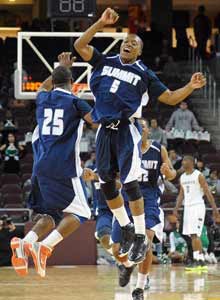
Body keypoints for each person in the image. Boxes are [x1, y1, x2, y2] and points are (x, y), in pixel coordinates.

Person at [74, 7, 206, 263]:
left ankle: (138, 235)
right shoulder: (104, 61)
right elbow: (80, 44)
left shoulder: (144, 73)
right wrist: (101, 22)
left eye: (133, 43)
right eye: (126, 41)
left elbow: (168, 98)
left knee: (131, 183)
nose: (128, 44)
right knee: (107, 184)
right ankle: (124, 226)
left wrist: (190, 86)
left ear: (139, 51)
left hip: (126, 130)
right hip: (104, 130)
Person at [10, 52, 93, 278]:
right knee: (82, 213)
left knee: (49, 215)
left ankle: (23, 243)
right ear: (73, 83)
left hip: (40, 166)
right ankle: (45, 247)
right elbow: (97, 122)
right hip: (63, 167)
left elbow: (45, 87)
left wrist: (60, 66)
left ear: (53, 82)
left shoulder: (42, 98)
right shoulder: (76, 102)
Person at [111, 118, 176, 300]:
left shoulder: (158, 149)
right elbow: (115, 177)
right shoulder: (125, 150)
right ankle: (127, 265)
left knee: (145, 242)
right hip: (126, 201)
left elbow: (172, 174)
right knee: (117, 249)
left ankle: (139, 288)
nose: (141, 128)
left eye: (143, 125)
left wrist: (167, 171)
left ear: (148, 131)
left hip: (149, 201)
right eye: (138, 126)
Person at [173, 156, 220, 271]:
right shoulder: (183, 177)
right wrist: (176, 208)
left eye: (185, 160)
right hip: (187, 208)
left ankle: (200, 261)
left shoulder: (199, 175)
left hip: (197, 207)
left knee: (195, 234)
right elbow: (181, 194)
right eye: (182, 160)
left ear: (191, 162)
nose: (183, 162)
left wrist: (215, 210)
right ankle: (197, 259)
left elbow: (208, 193)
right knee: (192, 235)